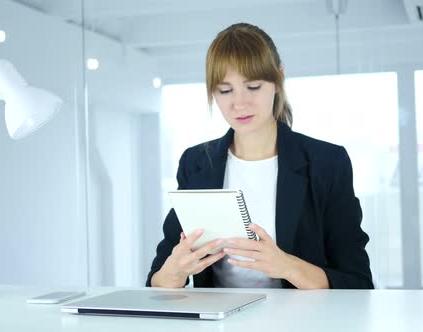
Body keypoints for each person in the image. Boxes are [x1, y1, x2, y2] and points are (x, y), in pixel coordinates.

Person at [146, 23, 373, 289]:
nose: (239, 103)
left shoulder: (327, 162)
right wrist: (175, 270)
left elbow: (357, 283)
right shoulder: (196, 163)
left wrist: (287, 266)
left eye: (253, 86)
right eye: (225, 90)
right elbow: (157, 281)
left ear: (278, 80)